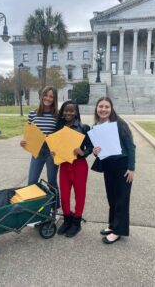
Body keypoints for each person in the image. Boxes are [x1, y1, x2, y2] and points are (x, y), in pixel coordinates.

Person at [92, 97, 136, 244]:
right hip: (108, 166)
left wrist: (131, 168)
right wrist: (95, 151)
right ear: (96, 108)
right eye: (100, 106)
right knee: (112, 198)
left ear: (111, 109)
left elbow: (131, 146)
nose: (103, 109)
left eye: (106, 107)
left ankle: (118, 231)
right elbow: (97, 150)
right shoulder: (96, 126)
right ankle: (112, 225)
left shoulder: (120, 124)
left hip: (122, 165)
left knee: (122, 199)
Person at [55, 100, 92, 237]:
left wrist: (82, 153)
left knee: (79, 195)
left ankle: (76, 222)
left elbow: (90, 147)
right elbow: (56, 145)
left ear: (76, 112)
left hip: (79, 166)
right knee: (64, 195)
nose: (68, 113)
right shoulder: (59, 127)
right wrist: (54, 152)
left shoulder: (84, 128)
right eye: (66, 110)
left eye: (71, 110)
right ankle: (67, 219)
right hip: (64, 165)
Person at [20, 86, 60, 208]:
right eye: (46, 95)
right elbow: (28, 133)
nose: (48, 98)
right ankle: (32, 207)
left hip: (51, 152)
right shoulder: (33, 113)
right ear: (42, 96)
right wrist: (24, 141)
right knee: (32, 181)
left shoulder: (57, 115)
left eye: (51, 96)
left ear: (54, 99)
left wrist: (52, 137)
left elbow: (59, 135)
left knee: (52, 181)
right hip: (37, 150)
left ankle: (55, 207)